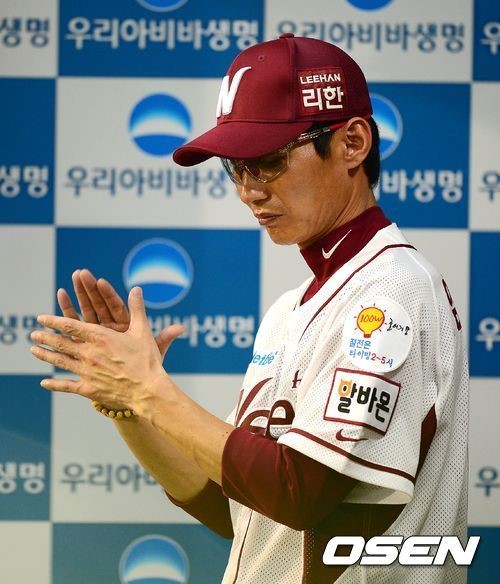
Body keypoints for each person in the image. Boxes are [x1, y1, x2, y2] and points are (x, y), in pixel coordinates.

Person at [30, 34, 469, 583]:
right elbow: (235, 508)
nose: (248, 191)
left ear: (353, 143)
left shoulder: (391, 293)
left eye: (267, 161)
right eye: (235, 168)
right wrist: (130, 405)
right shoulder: (290, 310)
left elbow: (297, 492)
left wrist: (149, 388)